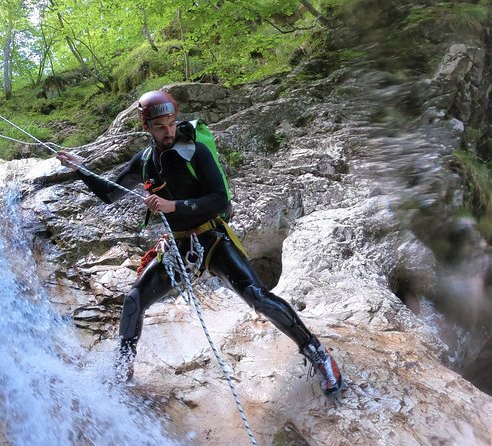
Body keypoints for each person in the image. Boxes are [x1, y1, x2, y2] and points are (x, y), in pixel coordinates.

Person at [57, 90, 343, 395]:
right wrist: (81, 169)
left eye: (170, 123)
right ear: (147, 127)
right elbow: (110, 193)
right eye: (160, 127)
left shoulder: (195, 151)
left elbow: (219, 200)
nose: (167, 132)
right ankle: (123, 369)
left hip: (212, 237)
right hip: (179, 246)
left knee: (257, 296)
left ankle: (318, 355)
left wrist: (173, 206)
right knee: (134, 301)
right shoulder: (144, 162)